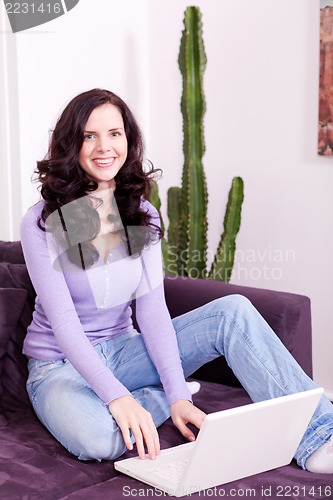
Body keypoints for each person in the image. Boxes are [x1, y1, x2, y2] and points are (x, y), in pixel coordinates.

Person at [20, 88, 333, 474]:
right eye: (89, 135)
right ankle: (146, 396)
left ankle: (320, 433)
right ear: (72, 144)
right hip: (60, 366)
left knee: (231, 313)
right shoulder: (42, 221)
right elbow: (65, 325)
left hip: (124, 351)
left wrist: (178, 395)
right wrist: (120, 397)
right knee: (99, 438)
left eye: (114, 133)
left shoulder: (142, 213)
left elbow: (152, 311)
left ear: (129, 140)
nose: (105, 147)